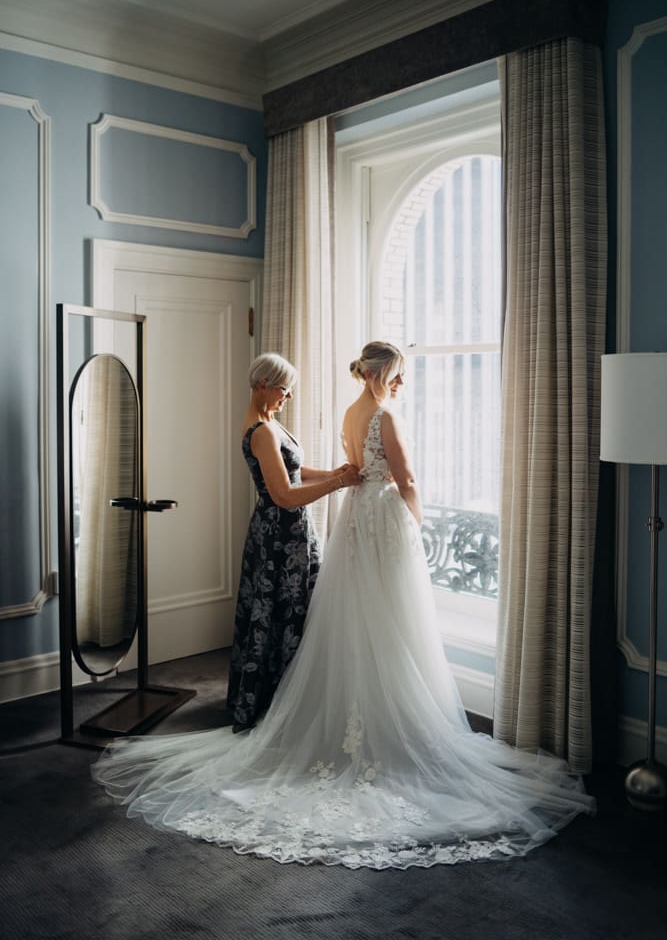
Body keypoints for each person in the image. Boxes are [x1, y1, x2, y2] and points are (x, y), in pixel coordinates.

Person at [92, 341, 595, 870]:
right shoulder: (346, 420)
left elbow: (328, 470)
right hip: (334, 526)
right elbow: (397, 481)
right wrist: (411, 521)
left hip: (352, 518)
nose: (286, 396)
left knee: (337, 619)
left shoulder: (348, 414)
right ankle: (311, 714)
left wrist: (336, 477)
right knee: (348, 620)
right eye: (398, 375)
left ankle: (294, 706)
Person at [227, 352, 360, 732]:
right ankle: (278, 703)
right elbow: (284, 494)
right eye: (284, 390)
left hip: (289, 532)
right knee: (282, 613)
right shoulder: (262, 431)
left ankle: (290, 695)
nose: (288, 398)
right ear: (263, 384)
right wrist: (337, 484)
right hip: (279, 538)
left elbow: (294, 470)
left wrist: (331, 472)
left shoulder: (270, 422)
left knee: (290, 610)